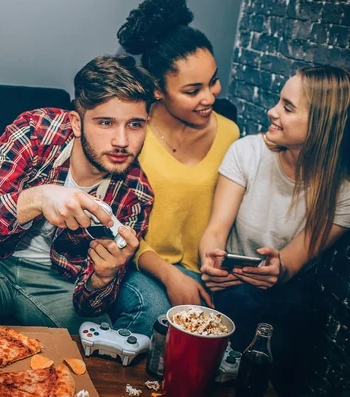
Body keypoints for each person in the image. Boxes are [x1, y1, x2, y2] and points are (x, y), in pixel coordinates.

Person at [0, 55, 156, 334]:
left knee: (94, 338)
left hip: (58, 284)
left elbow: (90, 305)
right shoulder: (36, 131)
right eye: (106, 123)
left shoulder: (136, 194)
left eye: (135, 124)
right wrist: (37, 198)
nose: (121, 141)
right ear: (76, 123)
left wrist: (103, 277)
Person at [199, 66, 350, 394]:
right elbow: (215, 231)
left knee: (293, 326)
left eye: (287, 108)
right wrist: (212, 260)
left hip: (289, 293)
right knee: (241, 307)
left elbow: (293, 261)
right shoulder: (247, 152)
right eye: (280, 102)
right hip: (230, 284)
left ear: (323, 124)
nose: (272, 112)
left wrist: (279, 270)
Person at [111, 0, 240, 335]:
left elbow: (223, 216)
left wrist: (221, 263)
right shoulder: (132, 131)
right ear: (157, 89)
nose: (210, 97)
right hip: (137, 262)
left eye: (213, 81)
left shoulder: (230, 134)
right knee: (155, 311)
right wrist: (170, 276)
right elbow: (116, 223)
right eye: (192, 90)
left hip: (200, 269)